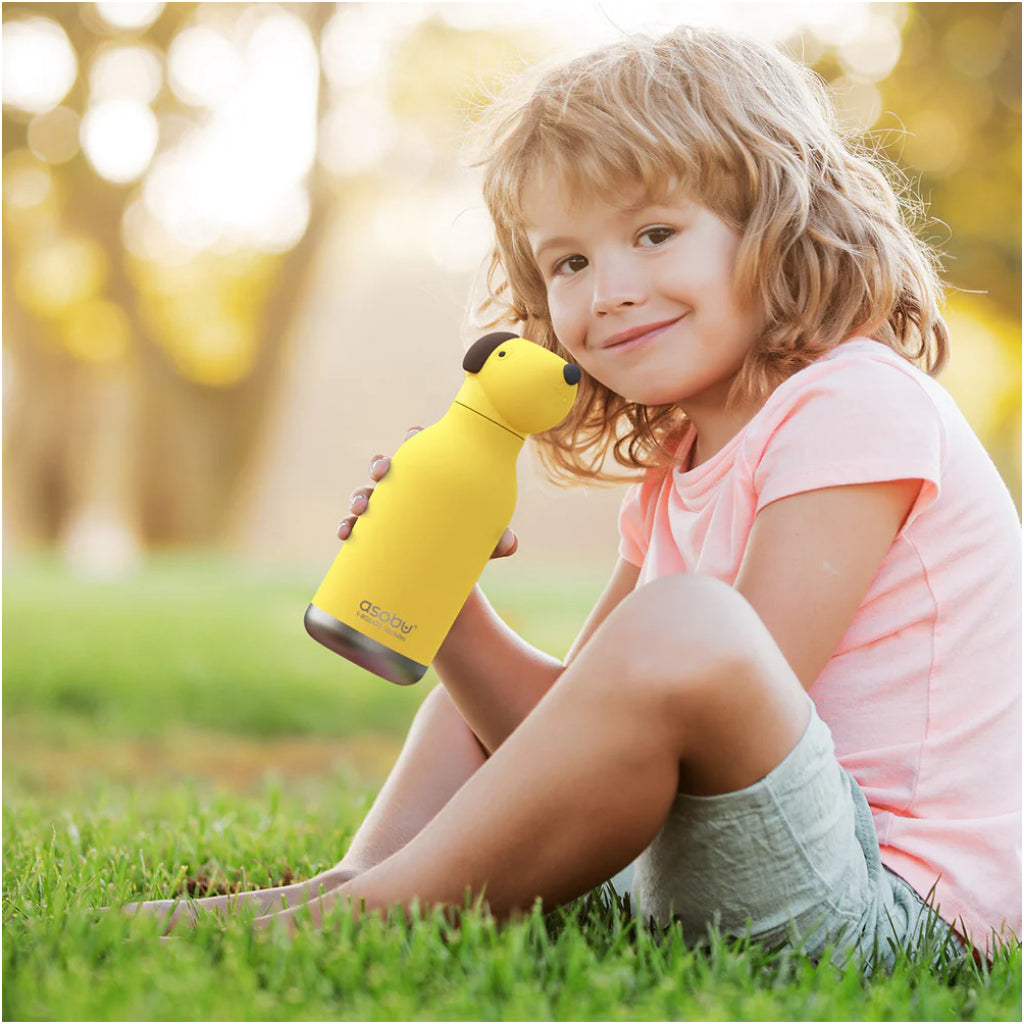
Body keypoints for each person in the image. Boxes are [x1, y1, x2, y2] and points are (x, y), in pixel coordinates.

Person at [128, 26, 1021, 964]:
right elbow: (566, 737)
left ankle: (357, 921)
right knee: (480, 703)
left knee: (686, 625)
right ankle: (355, 890)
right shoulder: (678, 460)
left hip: (895, 910)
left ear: (779, 222)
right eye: (570, 263)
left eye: (655, 234)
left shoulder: (856, 401)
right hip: (731, 865)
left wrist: (649, 646)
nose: (609, 292)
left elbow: (734, 684)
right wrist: (450, 609)